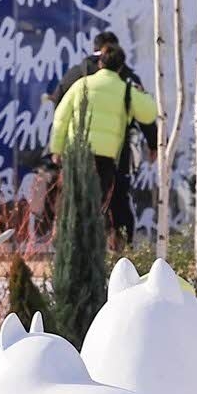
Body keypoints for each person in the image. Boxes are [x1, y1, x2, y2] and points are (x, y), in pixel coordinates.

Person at [48, 39, 160, 249]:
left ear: (100, 63)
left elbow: (61, 118)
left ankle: (65, 241)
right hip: (105, 159)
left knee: (71, 198)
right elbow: (149, 113)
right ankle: (95, 247)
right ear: (120, 67)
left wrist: (56, 149)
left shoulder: (82, 84)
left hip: (76, 154)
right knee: (99, 203)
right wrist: (141, 93)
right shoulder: (126, 90)